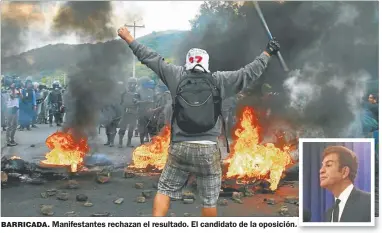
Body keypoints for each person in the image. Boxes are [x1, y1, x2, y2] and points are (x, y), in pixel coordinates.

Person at [118, 26, 280, 217]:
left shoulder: (176, 75)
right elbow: (248, 73)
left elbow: (150, 57)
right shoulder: (218, 80)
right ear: (206, 64)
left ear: (188, 63)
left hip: (179, 148)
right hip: (208, 149)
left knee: (165, 190)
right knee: (209, 199)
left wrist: (128, 37)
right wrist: (267, 52)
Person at [320, 146, 371, 222]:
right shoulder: (329, 213)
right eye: (322, 165)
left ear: (344, 172)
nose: (321, 170)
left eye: (328, 165)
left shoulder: (370, 202)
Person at [118, 77, 139, 147]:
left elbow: (139, 103)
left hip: (133, 113)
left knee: (131, 128)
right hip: (125, 113)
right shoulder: (124, 92)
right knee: (122, 128)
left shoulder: (137, 92)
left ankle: (129, 142)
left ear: (136, 84)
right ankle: (120, 142)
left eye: (133, 83)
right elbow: (120, 102)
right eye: (130, 83)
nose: (132, 85)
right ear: (128, 84)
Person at [5, 79, 22, 146]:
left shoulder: (16, 90)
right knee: (9, 126)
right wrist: (13, 89)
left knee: (15, 125)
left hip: (16, 109)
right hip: (10, 109)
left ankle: (12, 139)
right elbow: (13, 97)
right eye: (13, 84)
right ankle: (8, 141)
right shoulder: (8, 90)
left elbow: (21, 97)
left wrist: (19, 90)